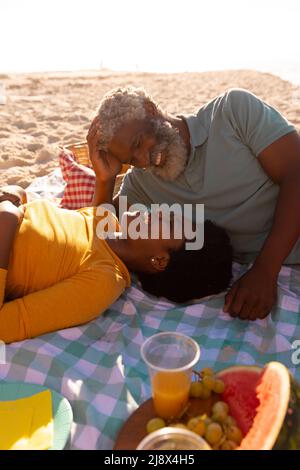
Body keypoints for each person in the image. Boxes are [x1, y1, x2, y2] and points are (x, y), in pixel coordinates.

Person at [87, 86, 300, 321]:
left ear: (150, 111)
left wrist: (266, 270)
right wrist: (105, 181)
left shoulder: (233, 111)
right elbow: (105, 235)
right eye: (131, 160)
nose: (144, 160)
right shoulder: (141, 184)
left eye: (138, 144)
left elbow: (296, 171)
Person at [0, 185, 232, 344]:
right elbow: (39, 226)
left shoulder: (103, 280)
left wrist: (7, 220)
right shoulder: (105, 220)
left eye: (169, 223)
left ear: (160, 260)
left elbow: (6, 326)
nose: (159, 211)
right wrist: (17, 197)